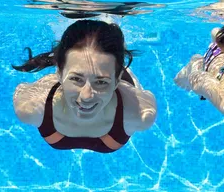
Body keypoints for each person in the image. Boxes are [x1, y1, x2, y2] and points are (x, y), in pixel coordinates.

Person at [12, 19, 157, 153]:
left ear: (117, 80)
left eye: (101, 82)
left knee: (111, 56)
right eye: (76, 79)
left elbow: (147, 96)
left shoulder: (139, 114)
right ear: (59, 74)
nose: (86, 96)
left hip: (118, 82)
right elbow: (22, 88)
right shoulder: (31, 108)